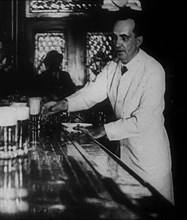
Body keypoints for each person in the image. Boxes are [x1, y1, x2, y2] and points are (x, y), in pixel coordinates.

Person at [43, 13, 174, 203]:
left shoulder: (153, 70)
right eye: (115, 37)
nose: (117, 43)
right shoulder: (113, 66)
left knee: (155, 210)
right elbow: (93, 91)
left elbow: (145, 119)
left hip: (150, 161)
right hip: (126, 155)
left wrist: (104, 129)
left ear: (138, 40)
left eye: (124, 37)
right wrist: (64, 104)